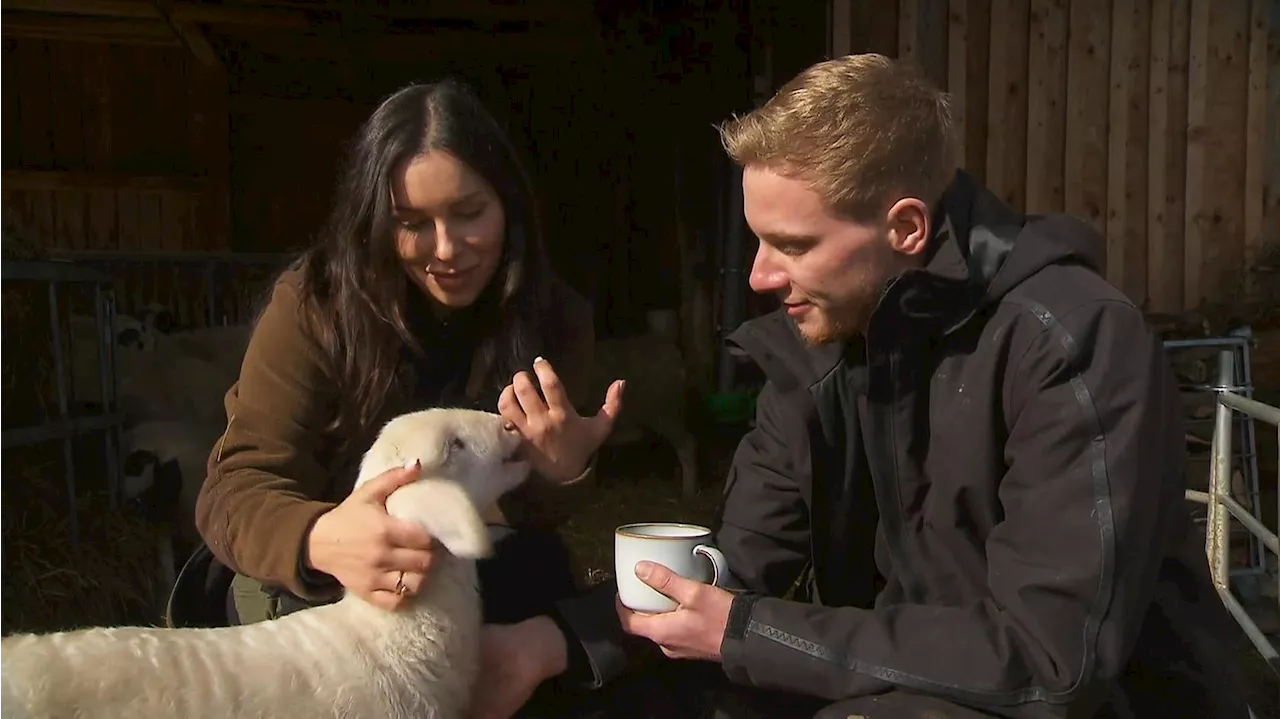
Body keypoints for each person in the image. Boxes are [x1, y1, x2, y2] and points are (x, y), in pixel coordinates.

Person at [475, 53, 1258, 719]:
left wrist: (751, 631)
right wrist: (551, 644)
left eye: (791, 244)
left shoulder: (1071, 340)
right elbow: (742, 565)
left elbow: (1053, 661)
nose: (757, 275)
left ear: (905, 228)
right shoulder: (817, 346)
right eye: (757, 239)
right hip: (900, 689)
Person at [189, 78, 624, 691]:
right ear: (374, 221)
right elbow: (234, 488)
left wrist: (560, 473)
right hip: (320, 592)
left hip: (462, 582)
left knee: (537, 590)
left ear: (510, 204)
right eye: (411, 222)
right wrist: (318, 537)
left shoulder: (554, 320)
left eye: (470, 213)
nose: (446, 249)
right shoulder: (316, 309)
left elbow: (532, 517)